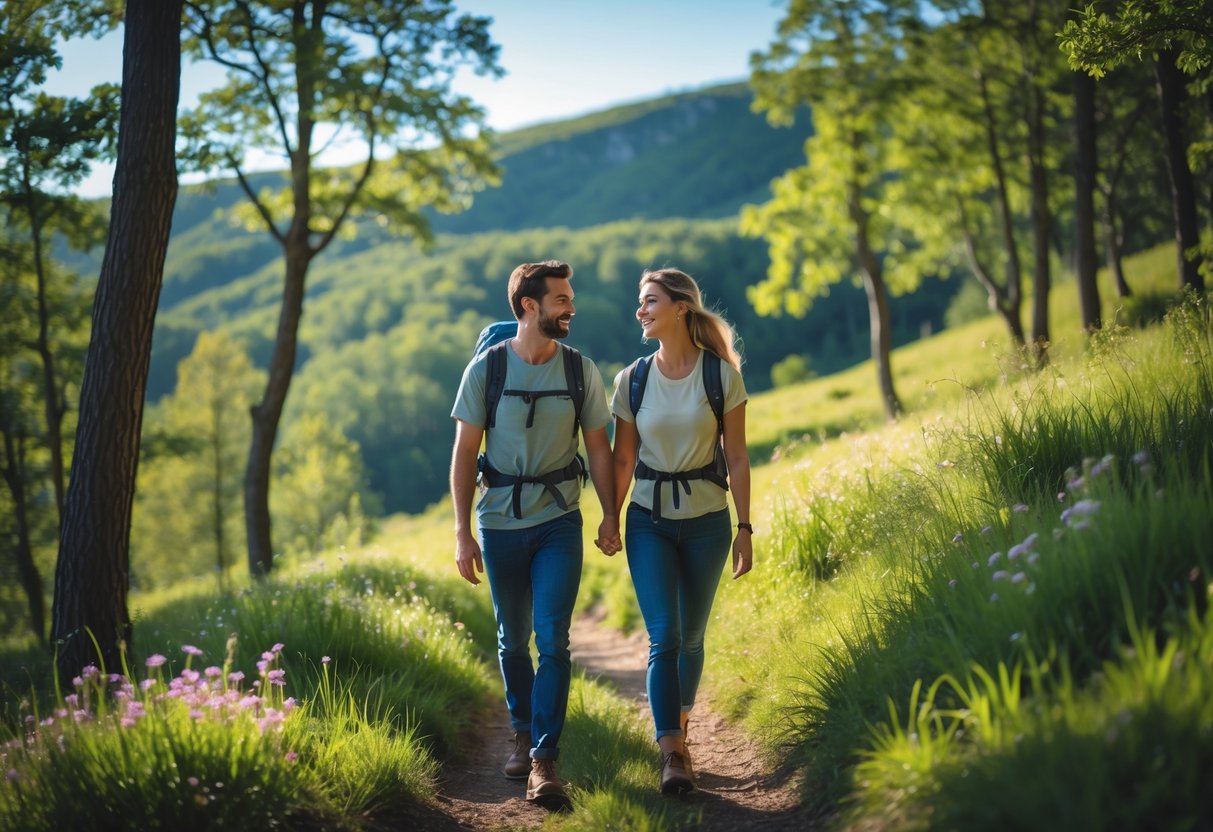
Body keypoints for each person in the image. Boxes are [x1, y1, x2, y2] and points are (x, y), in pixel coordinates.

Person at [450, 259, 621, 811]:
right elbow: (461, 455)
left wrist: (610, 513)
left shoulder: (579, 370)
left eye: (570, 298)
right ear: (530, 306)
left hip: (557, 520)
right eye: (562, 299)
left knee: (553, 638)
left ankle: (544, 758)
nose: (571, 307)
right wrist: (461, 532)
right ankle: (521, 731)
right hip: (498, 522)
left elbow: (599, 448)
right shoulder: (487, 370)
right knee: (511, 637)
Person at [610, 267, 753, 795]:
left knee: (691, 637)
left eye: (649, 301)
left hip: (708, 523)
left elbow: (736, 457)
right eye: (639, 302)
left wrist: (745, 527)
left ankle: (681, 720)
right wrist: (610, 515)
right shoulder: (632, 379)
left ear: (680, 309)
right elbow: (624, 458)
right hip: (647, 518)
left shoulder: (720, 376)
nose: (641, 310)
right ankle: (671, 748)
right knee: (663, 636)